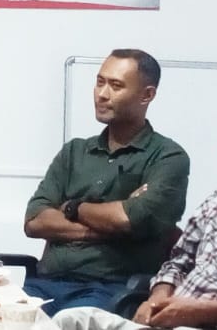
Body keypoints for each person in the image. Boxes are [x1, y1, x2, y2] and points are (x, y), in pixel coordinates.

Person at [23, 49, 189, 315]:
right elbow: (34, 221)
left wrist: (73, 207)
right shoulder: (74, 152)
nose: (102, 94)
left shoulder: (168, 157)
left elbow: (128, 220)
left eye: (116, 86)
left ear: (147, 95)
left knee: (68, 322)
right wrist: (107, 227)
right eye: (100, 82)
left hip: (111, 289)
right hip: (45, 283)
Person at [51, 107, 217, 330]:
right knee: (71, 319)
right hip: (167, 317)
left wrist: (199, 311)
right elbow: (178, 262)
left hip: (213, 324)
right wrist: (157, 298)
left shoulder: (168, 156)